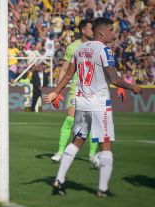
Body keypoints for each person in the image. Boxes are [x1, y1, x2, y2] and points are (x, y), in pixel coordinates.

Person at [44, 17, 142, 197]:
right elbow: (113, 79)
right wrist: (132, 86)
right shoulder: (105, 50)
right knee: (105, 144)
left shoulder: (80, 49)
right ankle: (103, 189)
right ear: (102, 32)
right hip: (99, 104)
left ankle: (59, 179)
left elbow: (67, 76)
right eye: (111, 30)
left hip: (82, 102)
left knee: (77, 141)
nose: (113, 33)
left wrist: (55, 92)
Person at [51, 20, 98, 162]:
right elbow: (65, 69)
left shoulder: (98, 46)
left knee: (92, 123)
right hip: (76, 88)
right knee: (70, 120)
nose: (93, 31)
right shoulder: (73, 47)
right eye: (91, 29)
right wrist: (58, 90)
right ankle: (60, 152)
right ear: (83, 30)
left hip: (94, 90)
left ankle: (92, 155)